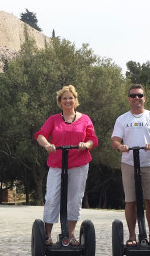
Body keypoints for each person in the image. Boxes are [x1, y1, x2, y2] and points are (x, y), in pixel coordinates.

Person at [35, 85, 98, 246]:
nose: (68, 101)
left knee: (75, 199)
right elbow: (41, 135)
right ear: (60, 102)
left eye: (71, 98)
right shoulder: (53, 119)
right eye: (64, 98)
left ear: (75, 100)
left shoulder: (85, 119)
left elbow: (93, 139)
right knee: (51, 198)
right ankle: (47, 235)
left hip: (79, 164)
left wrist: (86, 144)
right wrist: (47, 144)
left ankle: (70, 235)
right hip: (57, 164)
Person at [111, 84, 150, 247]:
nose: (137, 98)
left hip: (149, 162)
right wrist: (120, 146)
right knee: (131, 201)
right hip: (129, 163)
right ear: (129, 98)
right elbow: (115, 139)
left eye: (140, 95)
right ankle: (132, 235)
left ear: (144, 98)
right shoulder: (122, 119)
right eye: (133, 96)